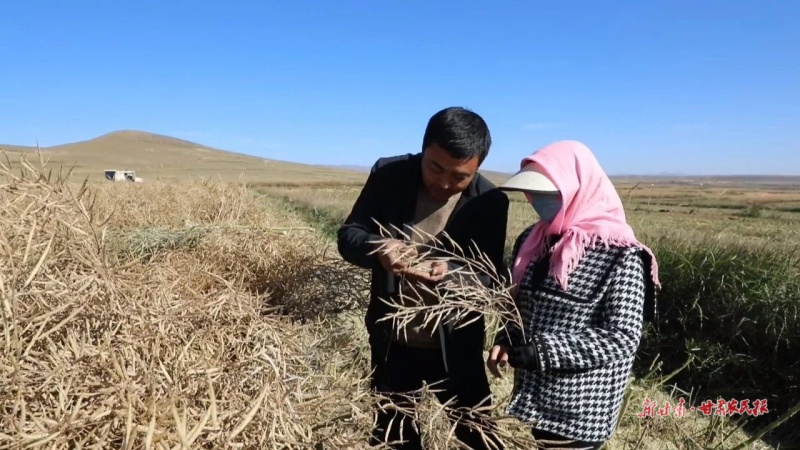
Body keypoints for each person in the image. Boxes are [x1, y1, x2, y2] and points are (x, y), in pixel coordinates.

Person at [337, 106, 509, 449]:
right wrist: (378, 248)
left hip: (457, 347)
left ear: (477, 167)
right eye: (436, 167)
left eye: (460, 176)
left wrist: (456, 274)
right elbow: (349, 235)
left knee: (477, 436)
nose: (445, 183)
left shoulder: (490, 202)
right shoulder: (389, 175)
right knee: (395, 436)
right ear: (424, 149)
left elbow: (489, 276)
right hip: (392, 342)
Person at [486, 140, 660, 449]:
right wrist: (508, 337)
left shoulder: (621, 256)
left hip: (580, 411)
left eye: (547, 194)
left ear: (578, 190)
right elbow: (520, 302)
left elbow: (621, 336)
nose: (537, 201)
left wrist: (543, 351)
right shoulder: (534, 240)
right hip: (536, 397)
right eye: (533, 194)